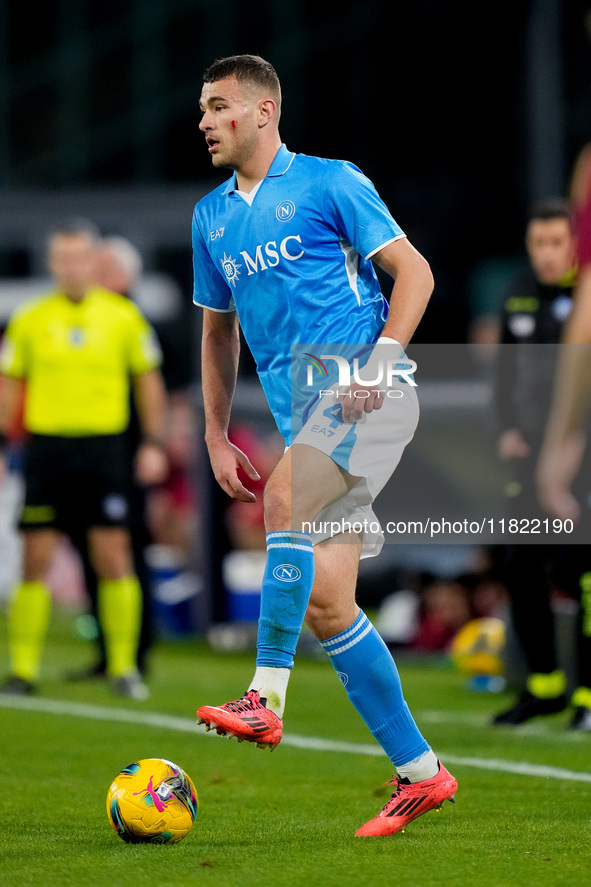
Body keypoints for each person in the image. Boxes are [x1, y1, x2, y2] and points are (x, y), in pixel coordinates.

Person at [191, 54, 457, 838]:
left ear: (263, 111)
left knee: (281, 498)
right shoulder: (210, 216)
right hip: (302, 414)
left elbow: (414, 272)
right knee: (327, 598)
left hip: (364, 392)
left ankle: (263, 697)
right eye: (201, 109)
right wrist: (211, 432)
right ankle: (420, 772)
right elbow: (216, 332)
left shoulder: (330, 181)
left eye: (217, 106)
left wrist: (382, 357)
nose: (203, 120)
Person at [0, 218, 168, 700]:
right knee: (35, 559)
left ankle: (123, 667)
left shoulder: (123, 318)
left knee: (113, 554)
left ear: (94, 263)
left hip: (104, 449)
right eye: (63, 259)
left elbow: (147, 383)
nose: (72, 268)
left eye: (80, 258)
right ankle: (22, 670)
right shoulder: (29, 319)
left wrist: (153, 442)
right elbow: (10, 385)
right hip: (46, 449)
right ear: (52, 264)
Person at [490, 199, 591, 730]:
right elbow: (504, 373)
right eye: (539, 244)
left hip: (581, 456)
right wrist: (507, 427)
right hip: (531, 457)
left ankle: (588, 698)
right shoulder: (519, 292)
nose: (547, 255)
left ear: (577, 244)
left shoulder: (587, 297)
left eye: (557, 243)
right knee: (518, 562)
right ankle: (544, 685)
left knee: (581, 571)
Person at [64, 235, 160, 681]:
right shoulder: (85, 321)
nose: (89, 276)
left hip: (125, 454)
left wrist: (152, 445)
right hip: (89, 454)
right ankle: (107, 649)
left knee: (127, 548)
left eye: (100, 268)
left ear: (124, 276)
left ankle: (136, 651)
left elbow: (159, 390)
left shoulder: (133, 320)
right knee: (91, 548)